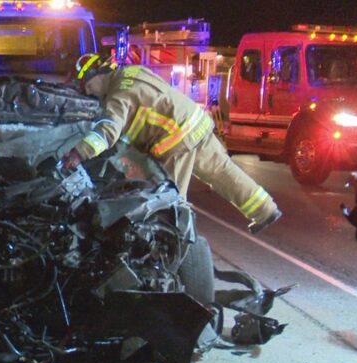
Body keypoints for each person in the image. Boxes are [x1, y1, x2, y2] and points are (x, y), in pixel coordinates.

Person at [64, 53, 282, 234]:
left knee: (169, 204)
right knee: (222, 172)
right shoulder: (133, 72)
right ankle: (265, 210)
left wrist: (78, 153)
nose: (88, 91)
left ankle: (184, 255)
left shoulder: (119, 96)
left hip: (176, 142)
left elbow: (107, 131)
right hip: (196, 125)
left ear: (98, 75)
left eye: (88, 85)